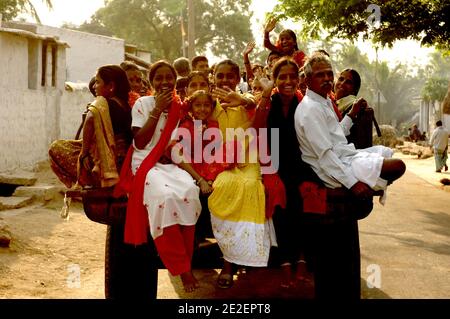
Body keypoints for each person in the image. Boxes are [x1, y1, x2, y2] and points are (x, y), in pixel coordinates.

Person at [294, 54, 406, 299]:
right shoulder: (310, 109)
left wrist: (352, 115)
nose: (327, 79)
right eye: (320, 74)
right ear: (308, 78)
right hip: (333, 171)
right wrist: (352, 183)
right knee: (396, 166)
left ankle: (368, 180)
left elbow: (336, 138)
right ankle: (363, 184)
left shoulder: (323, 102)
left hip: (344, 157)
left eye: (329, 74)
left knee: (386, 153)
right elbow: (324, 156)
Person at [114, 60, 201, 293]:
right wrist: (155, 111)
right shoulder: (143, 103)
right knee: (165, 198)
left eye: (168, 77)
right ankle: (183, 269)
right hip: (145, 163)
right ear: (151, 83)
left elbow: (176, 143)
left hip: (168, 162)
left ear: (175, 80)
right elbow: (140, 142)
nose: (164, 82)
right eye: (159, 78)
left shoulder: (178, 107)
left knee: (191, 192)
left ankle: (185, 260)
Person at [208, 59, 276, 289]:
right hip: (220, 165)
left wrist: (243, 100)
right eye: (220, 76)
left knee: (250, 187)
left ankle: (238, 261)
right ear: (213, 78)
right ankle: (230, 260)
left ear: (238, 80)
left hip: (249, 162)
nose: (225, 80)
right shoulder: (208, 103)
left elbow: (255, 111)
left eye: (230, 76)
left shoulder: (247, 100)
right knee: (223, 187)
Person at [254, 57, 315, 288]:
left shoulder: (305, 102)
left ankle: (300, 258)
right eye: (282, 77)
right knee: (279, 196)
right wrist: (265, 94)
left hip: (301, 163)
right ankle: (285, 262)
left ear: (299, 78)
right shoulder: (269, 101)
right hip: (272, 162)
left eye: (292, 76)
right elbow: (257, 129)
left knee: (301, 197)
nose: (288, 81)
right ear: (275, 79)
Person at [49, 65, 132, 189]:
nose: (94, 86)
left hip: (107, 162)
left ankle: (88, 178)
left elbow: (90, 118)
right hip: (122, 159)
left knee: (56, 147)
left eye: (98, 82)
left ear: (111, 86)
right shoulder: (126, 105)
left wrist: (84, 152)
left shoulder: (102, 103)